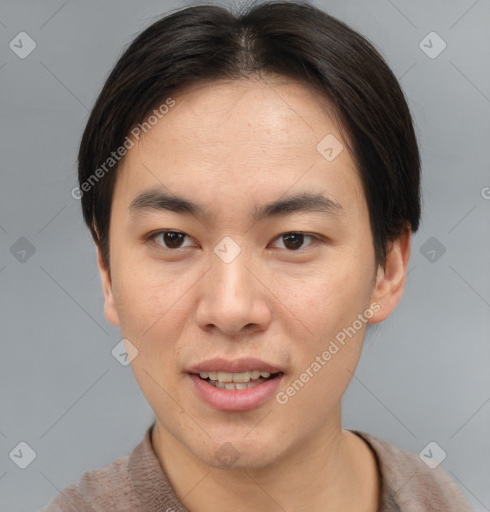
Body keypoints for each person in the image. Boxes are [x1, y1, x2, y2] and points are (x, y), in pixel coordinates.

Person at [43, 1, 473, 510]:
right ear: (107, 271)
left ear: (389, 268)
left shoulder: (437, 499)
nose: (230, 309)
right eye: (173, 239)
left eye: (293, 240)